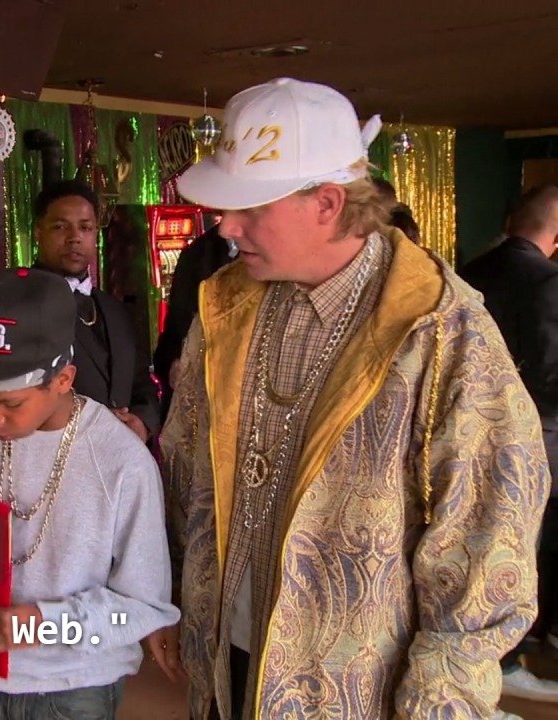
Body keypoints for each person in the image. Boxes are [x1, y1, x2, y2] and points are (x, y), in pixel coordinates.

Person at [159, 77, 549, 720]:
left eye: (250, 207)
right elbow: (185, 469)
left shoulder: (439, 331)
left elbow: (487, 544)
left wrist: (437, 704)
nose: (226, 226)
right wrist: (175, 598)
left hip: (353, 687)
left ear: (327, 203)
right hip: (226, 659)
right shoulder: (227, 306)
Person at [0, 267, 181, 719]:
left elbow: (142, 608)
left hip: (75, 687)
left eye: (11, 403)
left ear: (64, 379)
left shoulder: (121, 462)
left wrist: (42, 624)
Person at [460, 184, 558, 702]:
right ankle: (507, 658)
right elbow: (548, 376)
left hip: (468, 433)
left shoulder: (471, 269)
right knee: (522, 550)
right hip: (531, 440)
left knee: (479, 549)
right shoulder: (546, 279)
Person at [29, 181, 161, 442]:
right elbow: (18, 395)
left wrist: (141, 422)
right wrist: (92, 424)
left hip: (122, 455)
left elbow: (141, 381)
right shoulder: (22, 305)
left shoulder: (114, 309)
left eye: (85, 227)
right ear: (38, 233)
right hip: (56, 454)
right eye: (60, 226)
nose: (74, 237)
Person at [152, 224, 236, 421]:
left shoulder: (283, 259)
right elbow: (174, 333)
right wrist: (172, 364)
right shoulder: (198, 254)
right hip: (204, 408)